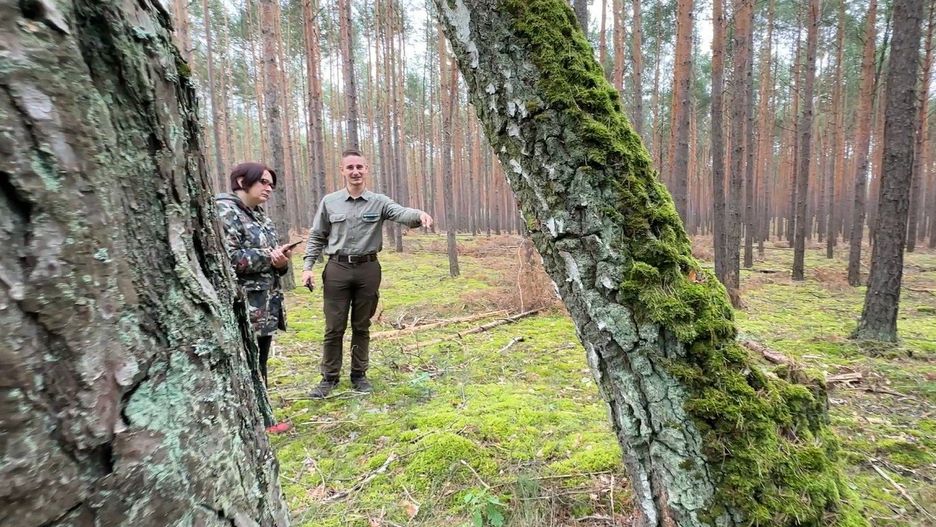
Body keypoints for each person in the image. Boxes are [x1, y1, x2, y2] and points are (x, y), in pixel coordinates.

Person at [302, 149, 433, 398]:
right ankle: (329, 378)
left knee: (361, 326)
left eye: (359, 167)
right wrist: (308, 267)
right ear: (342, 171)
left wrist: (419, 215)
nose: (355, 172)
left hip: (368, 269)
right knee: (333, 327)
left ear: (366, 169)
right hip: (337, 268)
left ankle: (359, 375)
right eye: (350, 167)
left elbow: (401, 213)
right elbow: (317, 235)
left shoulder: (379, 201)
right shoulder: (330, 202)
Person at [216, 162, 293, 389]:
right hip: (242, 306)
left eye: (271, 184)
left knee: (260, 362)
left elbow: (274, 262)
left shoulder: (262, 218)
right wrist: (269, 257)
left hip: (266, 305)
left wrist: (281, 262)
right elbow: (226, 258)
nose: (269, 188)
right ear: (242, 182)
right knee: (244, 364)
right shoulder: (225, 212)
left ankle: (264, 415)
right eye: (263, 182)